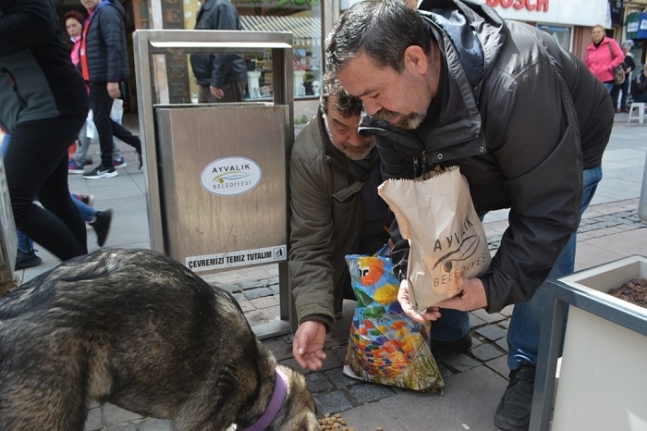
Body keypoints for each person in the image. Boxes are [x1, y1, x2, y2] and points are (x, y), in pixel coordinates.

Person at [325, 1, 613, 430]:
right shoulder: (387, 112)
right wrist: (410, 273)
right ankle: (451, 327)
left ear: (416, 59)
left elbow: (547, 213)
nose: (369, 113)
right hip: (468, 153)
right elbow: (410, 202)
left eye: (374, 94)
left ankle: (530, 365)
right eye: (360, 98)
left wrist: (492, 288)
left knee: (546, 258)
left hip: (566, 151)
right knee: (447, 232)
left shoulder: (517, 79)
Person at [289, 73, 471, 371]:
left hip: (401, 238)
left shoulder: (401, 126)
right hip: (350, 251)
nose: (354, 141)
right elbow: (309, 246)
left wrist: (409, 242)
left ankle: (450, 330)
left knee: (440, 252)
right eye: (339, 127)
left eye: (365, 130)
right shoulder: (309, 157)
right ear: (322, 111)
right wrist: (314, 315)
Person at [0, 0, 90, 262]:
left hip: (51, 105)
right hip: (30, 112)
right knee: (54, 197)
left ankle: (86, 275)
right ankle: (84, 274)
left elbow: (37, 21)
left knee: (14, 202)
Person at [80, 0, 142, 179]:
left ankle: (108, 165)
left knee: (101, 120)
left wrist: (112, 80)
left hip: (104, 77)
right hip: (98, 77)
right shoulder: (95, 15)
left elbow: (113, 47)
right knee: (102, 119)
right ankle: (136, 144)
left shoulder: (106, 12)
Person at [63, 10, 125, 173]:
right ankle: (117, 155)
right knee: (100, 123)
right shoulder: (76, 45)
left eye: (74, 25)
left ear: (82, 25)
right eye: (68, 27)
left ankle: (80, 159)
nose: (71, 29)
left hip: (91, 90)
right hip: (84, 91)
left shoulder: (85, 42)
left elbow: (87, 66)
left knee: (91, 124)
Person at [190, 0, 247, 103]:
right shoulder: (206, 9)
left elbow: (226, 46)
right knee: (205, 119)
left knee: (224, 118)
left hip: (224, 82)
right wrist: (201, 80)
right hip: (208, 82)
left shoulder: (222, 6)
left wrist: (216, 82)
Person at [585, 24, 625, 93]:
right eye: (594, 32)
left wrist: (610, 66)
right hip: (593, 80)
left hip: (606, 78)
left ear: (603, 33)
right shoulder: (590, 48)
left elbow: (620, 56)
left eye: (598, 32)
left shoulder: (610, 43)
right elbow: (587, 63)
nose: (596, 34)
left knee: (601, 100)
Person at [610, 40, 636, 113]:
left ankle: (623, 106)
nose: (625, 51)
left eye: (626, 49)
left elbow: (633, 65)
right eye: (624, 49)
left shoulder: (628, 58)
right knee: (616, 92)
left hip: (626, 77)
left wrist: (630, 69)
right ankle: (614, 106)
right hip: (618, 78)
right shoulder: (618, 57)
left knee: (625, 92)